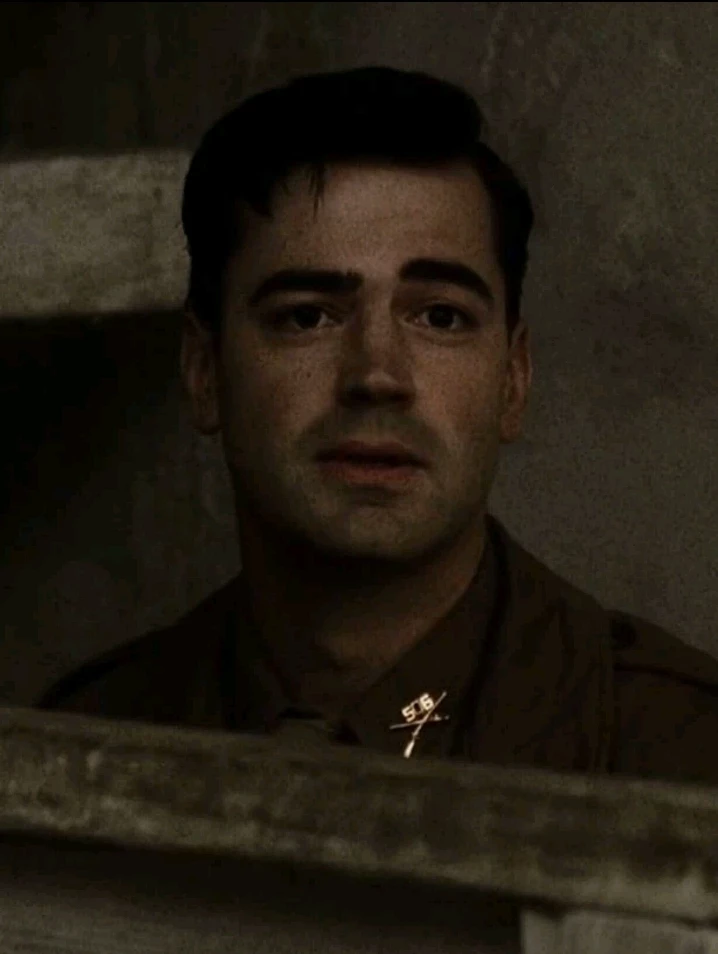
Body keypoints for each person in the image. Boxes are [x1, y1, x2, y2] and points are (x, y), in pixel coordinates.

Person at [37, 67, 718, 784]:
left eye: (440, 317)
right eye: (307, 316)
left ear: (513, 380)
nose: (376, 375)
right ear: (205, 370)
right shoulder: (80, 747)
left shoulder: (688, 757)